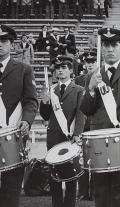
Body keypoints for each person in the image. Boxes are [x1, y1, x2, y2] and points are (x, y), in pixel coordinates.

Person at [80, 27, 120, 207]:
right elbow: (86, 110)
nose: (109, 49)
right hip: (99, 138)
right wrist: (91, 90)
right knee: (100, 188)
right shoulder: (93, 75)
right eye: (106, 44)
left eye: (114, 44)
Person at [0, 24, 38, 207]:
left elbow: (31, 101)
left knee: (11, 193)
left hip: (14, 139)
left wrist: (27, 121)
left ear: (12, 45)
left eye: (4, 41)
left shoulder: (24, 70)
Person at [39, 56, 86, 207]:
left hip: (70, 137)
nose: (60, 70)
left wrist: (77, 134)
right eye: (58, 68)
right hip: (53, 138)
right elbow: (45, 116)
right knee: (54, 177)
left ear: (71, 70)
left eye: (64, 67)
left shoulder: (79, 90)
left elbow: (81, 113)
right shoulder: (51, 90)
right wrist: (45, 102)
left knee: (71, 176)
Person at [75, 51, 97, 201]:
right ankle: (83, 190)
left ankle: (95, 190)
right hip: (83, 124)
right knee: (82, 159)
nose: (90, 63)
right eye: (87, 61)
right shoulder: (78, 79)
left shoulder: (101, 78)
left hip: (96, 124)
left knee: (96, 158)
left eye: (92, 61)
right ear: (84, 63)